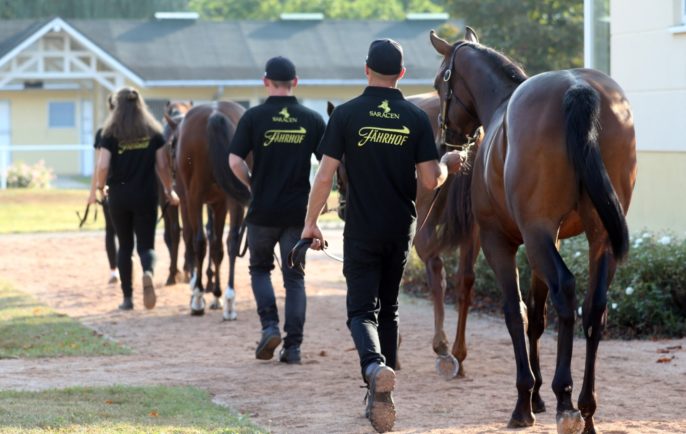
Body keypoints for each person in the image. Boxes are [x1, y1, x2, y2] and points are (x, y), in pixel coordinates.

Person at [301, 39, 464, 432]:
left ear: (366, 69)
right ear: (402, 75)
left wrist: (310, 223)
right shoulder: (414, 117)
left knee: (360, 312)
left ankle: (374, 369)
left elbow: (324, 176)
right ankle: (382, 391)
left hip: (361, 228)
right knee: (388, 310)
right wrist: (447, 163)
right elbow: (430, 178)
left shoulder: (346, 115)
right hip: (398, 228)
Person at [229, 56, 326, 364]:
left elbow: (234, 161)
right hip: (297, 213)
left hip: (262, 212)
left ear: (265, 81)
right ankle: (293, 347)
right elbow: (327, 167)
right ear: (295, 82)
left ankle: (270, 326)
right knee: (294, 277)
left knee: (259, 269)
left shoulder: (253, 117)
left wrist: (251, 185)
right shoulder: (311, 119)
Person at [95, 87, 180, 311]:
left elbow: (103, 165)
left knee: (124, 246)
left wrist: (99, 187)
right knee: (146, 245)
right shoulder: (153, 132)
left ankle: (127, 298)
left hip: (119, 197)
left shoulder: (109, 133)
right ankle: (148, 273)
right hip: (146, 195)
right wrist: (169, 190)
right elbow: (162, 165)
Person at [87, 94, 118, 285]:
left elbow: (99, 166)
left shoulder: (103, 132)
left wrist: (94, 191)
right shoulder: (137, 131)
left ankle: (114, 270)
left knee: (111, 230)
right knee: (129, 230)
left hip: (109, 189)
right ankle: (127, 262)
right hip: (134, 188)